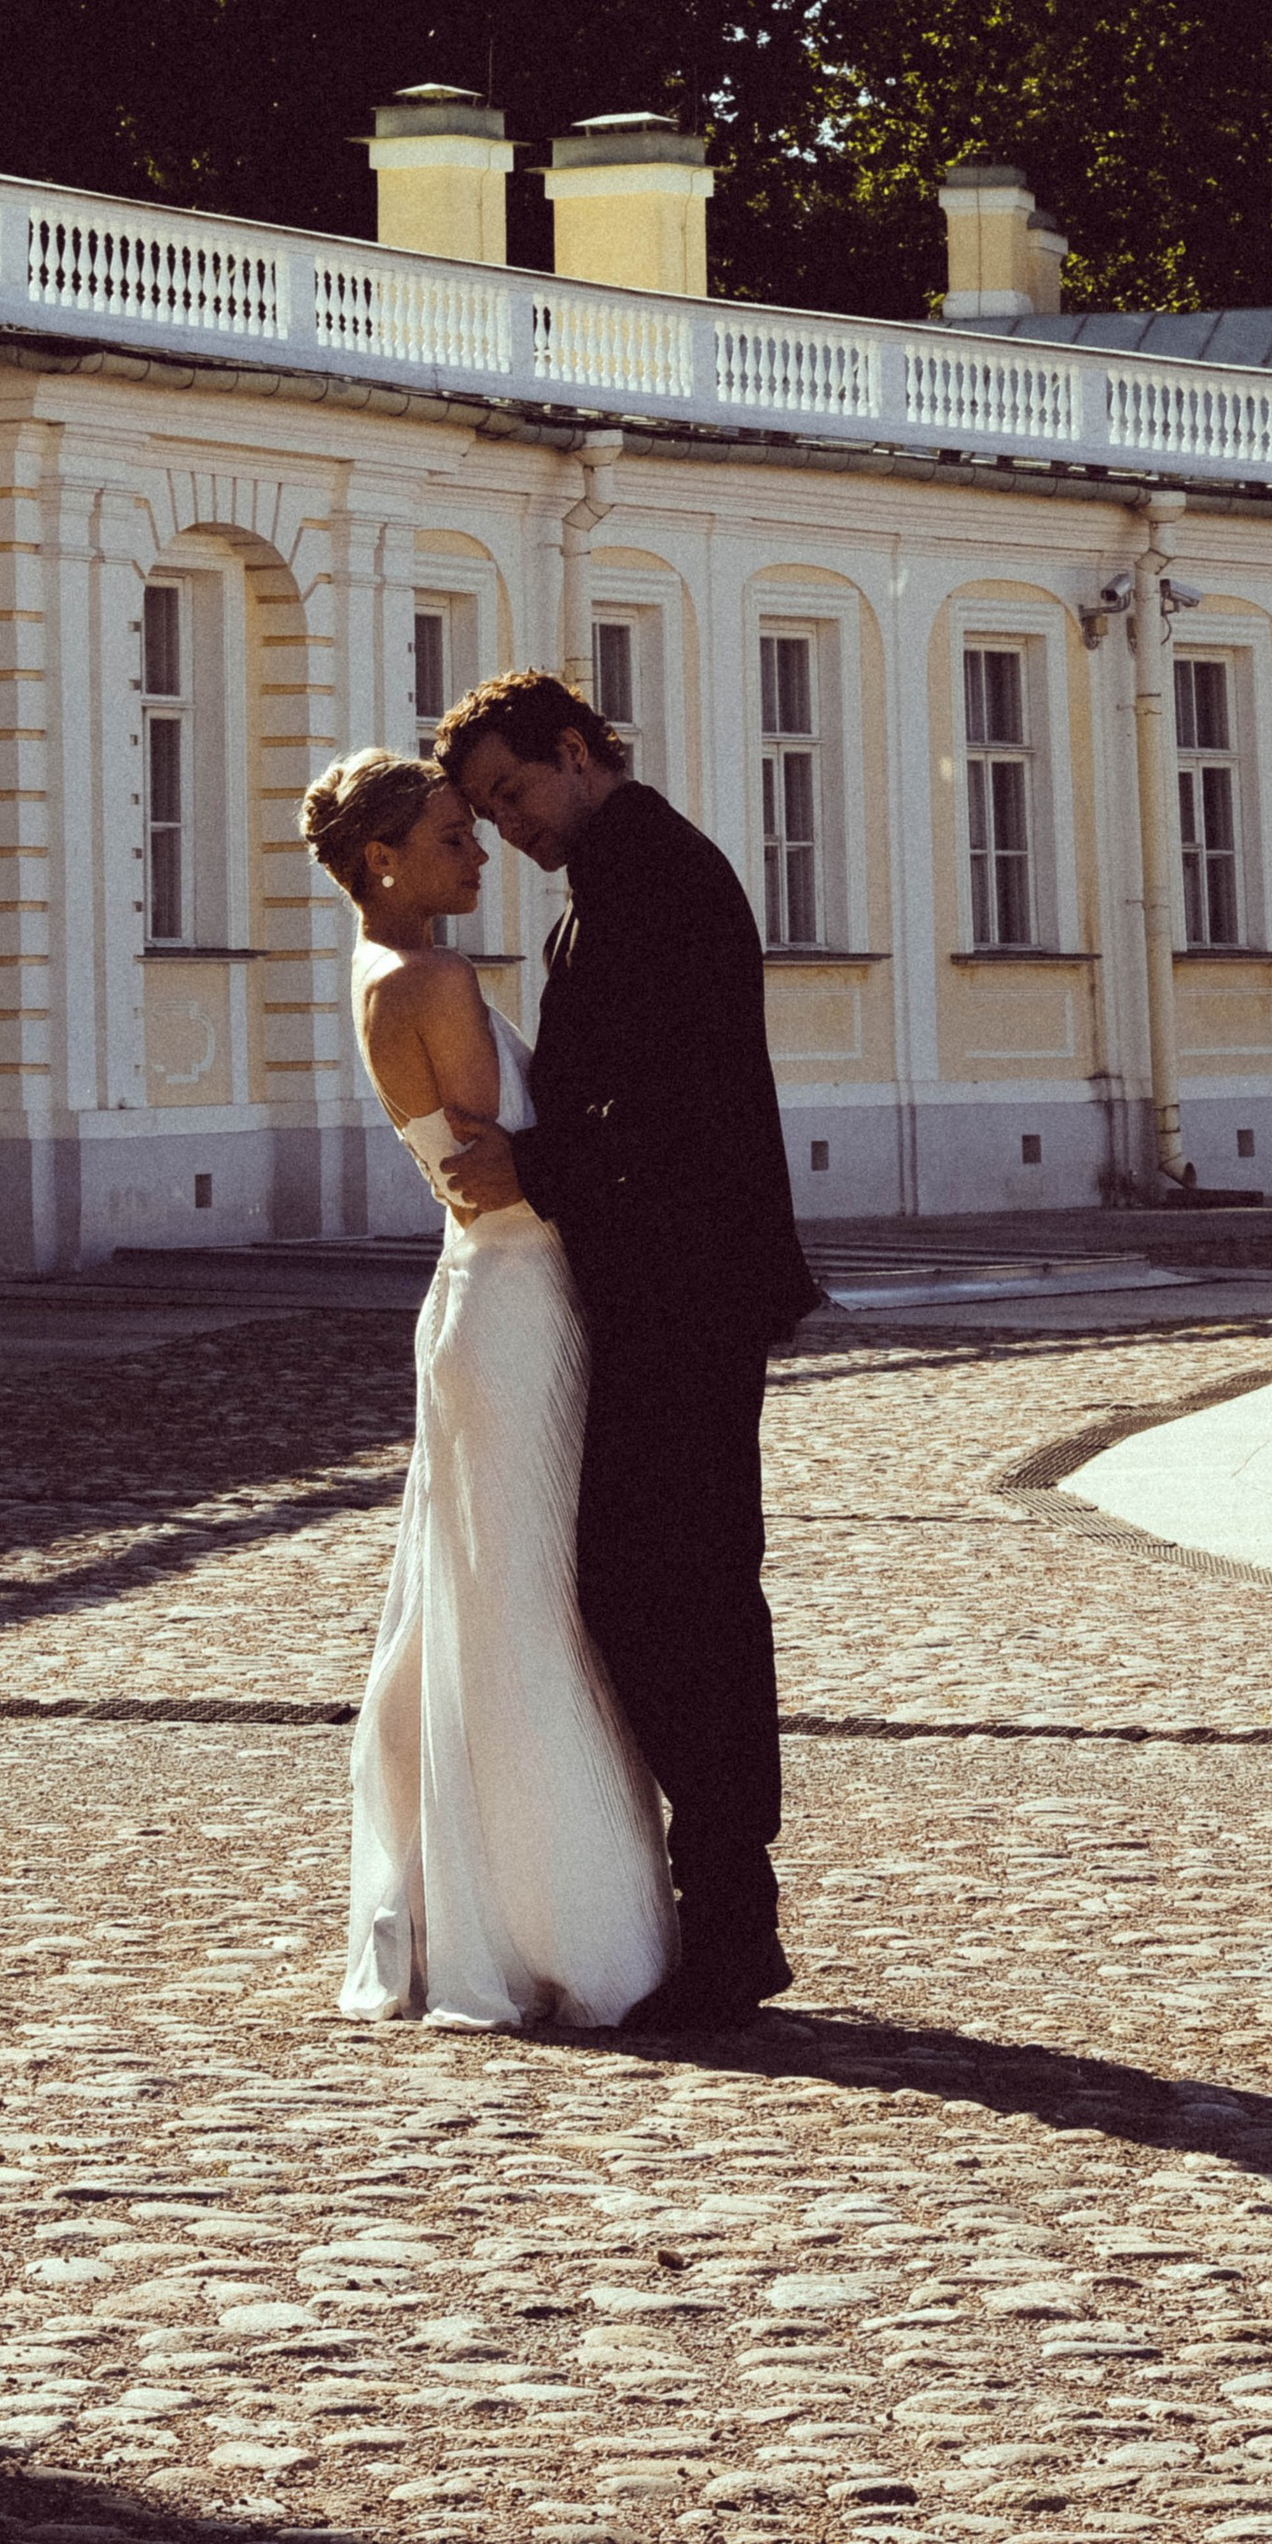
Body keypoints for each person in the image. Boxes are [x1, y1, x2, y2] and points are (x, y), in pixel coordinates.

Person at [435, 668, 820, 2031]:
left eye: (516, 791)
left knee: (680, 1596)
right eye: (486, 809)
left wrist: (527, 1158)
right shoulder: (613, 880)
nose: (512, 825)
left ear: (582, 751)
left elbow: (659, 1106)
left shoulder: (652, 877)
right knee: (661, 1591)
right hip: (665, 1286)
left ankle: (730, 1914)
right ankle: (715, 1904)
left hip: (692, 1288)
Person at [299, 745, 675, 2030]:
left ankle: (468, 1897)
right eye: (454, 836)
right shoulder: (435, 975)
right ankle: (547, 1921)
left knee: (470, 1600)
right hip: (515, 1304)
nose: (478, 855)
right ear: (384, 858)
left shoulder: (380, 970)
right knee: (514, 1603)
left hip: (480, 1299)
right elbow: (501, 1166)